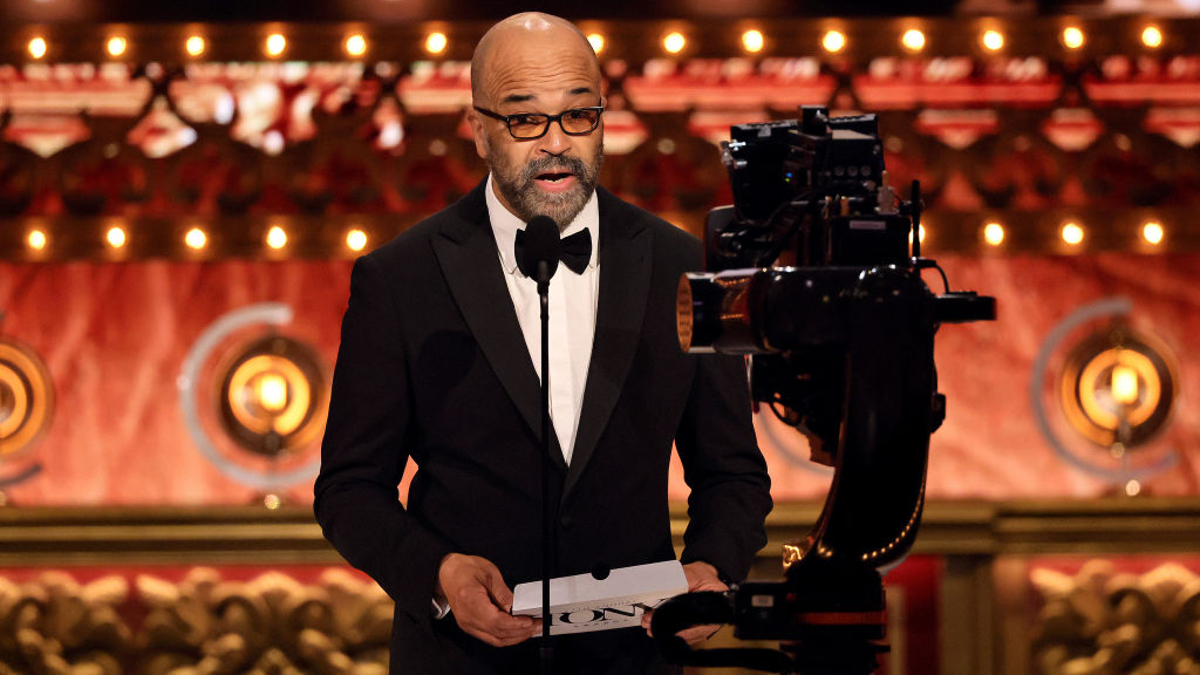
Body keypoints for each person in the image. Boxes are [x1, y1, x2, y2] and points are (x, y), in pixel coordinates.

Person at [314, 12, 772, 674]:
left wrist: (710, 568)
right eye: (525, 119)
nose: (557, 143)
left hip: (630, 659)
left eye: (579, 116)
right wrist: (439, 575)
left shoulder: (683, 265)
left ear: (604, 119)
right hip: (460, 659)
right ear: (478, 130)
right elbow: (349, 488)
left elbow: (733, 471)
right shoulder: (399, 278)